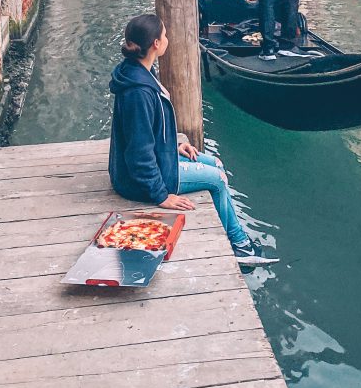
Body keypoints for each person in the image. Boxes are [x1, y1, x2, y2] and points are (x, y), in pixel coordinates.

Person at [109, 14, 274, 265]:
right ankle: (239, 244)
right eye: (164, 35)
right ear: (155, 43)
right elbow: (138, 152)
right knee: (217, 180)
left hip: (157, 159)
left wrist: (174, 144)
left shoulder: (141, 71)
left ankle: (236, 234)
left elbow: (151, 129)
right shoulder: (138, 92)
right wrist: (161, 196)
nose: (167, 39)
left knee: (216, 163)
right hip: (137, 181)